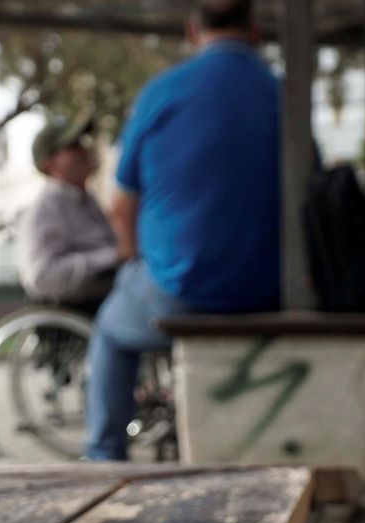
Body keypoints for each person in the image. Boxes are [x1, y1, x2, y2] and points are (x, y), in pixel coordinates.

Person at [83, 0, 281, 461]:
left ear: (193, 31)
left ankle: (104, 457)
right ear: (254, 30)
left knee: (110, 332)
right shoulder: (282, 92)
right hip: (270, 290)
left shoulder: (160, 93)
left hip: (181, 291)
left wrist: (135, 261)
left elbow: (121, 206)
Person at [15, 114, 121, 313]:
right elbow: (42, 277)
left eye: (82, 142)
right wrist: (111, 257)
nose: (83, 149)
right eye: (72, 146)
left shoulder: (88, 201)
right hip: (79, 312)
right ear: (49, 164)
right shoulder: (43, 210)